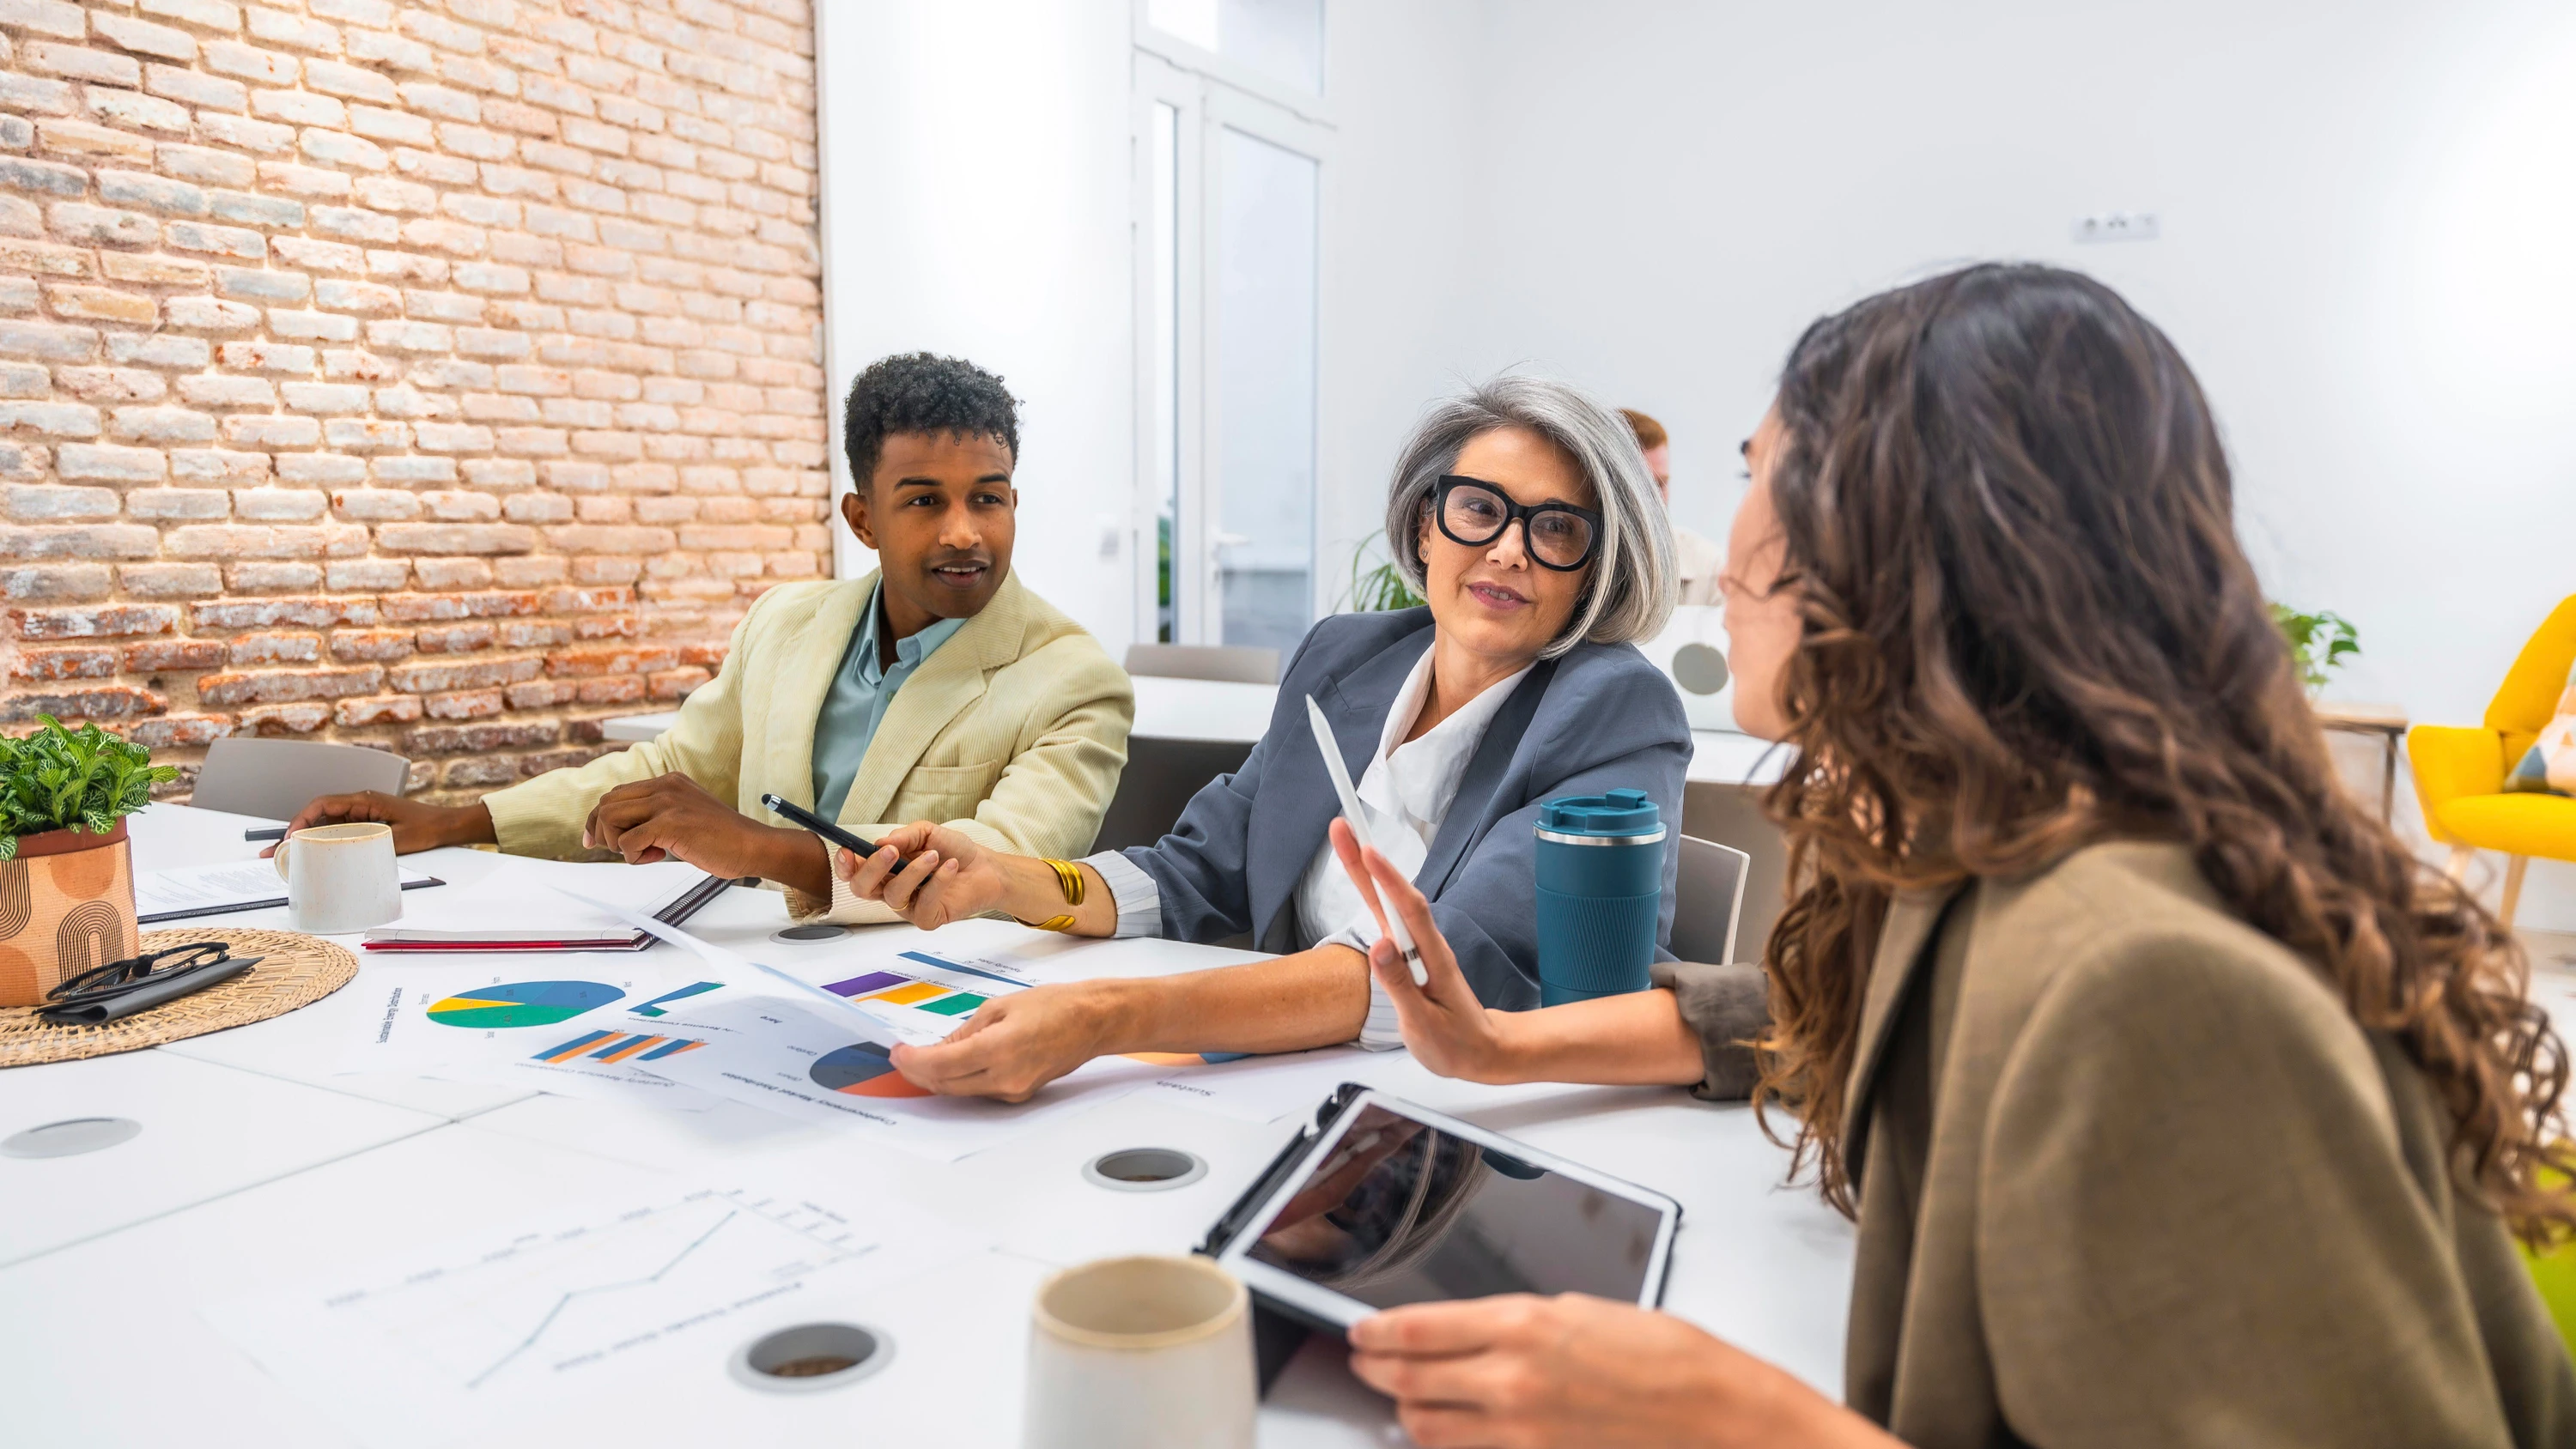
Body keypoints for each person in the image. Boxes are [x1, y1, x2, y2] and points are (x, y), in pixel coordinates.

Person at [1329, 266, 2576, 1447]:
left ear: (1901, 544)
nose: (1724, 540)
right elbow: (1816, 1020)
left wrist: (1737, 1417)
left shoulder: (2146, 981)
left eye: (1760, 476)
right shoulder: (1977, 851)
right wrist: (1497, 1049)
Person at [836, 376, 1691, 1100]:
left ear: (1596, 568)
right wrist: (1004, 879)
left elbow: (1439, 971)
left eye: (1556, 529)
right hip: (1290, 1083)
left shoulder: (1614, 707)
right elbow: (1198, 871)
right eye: (1479, 509)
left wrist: (1109, 1016)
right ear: (1426, 525)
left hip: (1475, 1113)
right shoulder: (1345, 657)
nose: (1508, 550)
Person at [277, 353, 1134, 924]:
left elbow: (999, 871)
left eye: (988, 497)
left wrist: (754, 847)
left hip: (936, 1004)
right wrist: (454, 820)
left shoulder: (1074, 681)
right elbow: (670, 770)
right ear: (863, 519)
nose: (963, 531)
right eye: (923, 501)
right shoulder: (787, 621)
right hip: (743, 977)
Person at [1622, 407, 1722, 606]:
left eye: (1660, 485)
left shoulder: (1708, 569)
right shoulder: (1571, 569)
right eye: (1639, 486)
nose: (1654, 501)